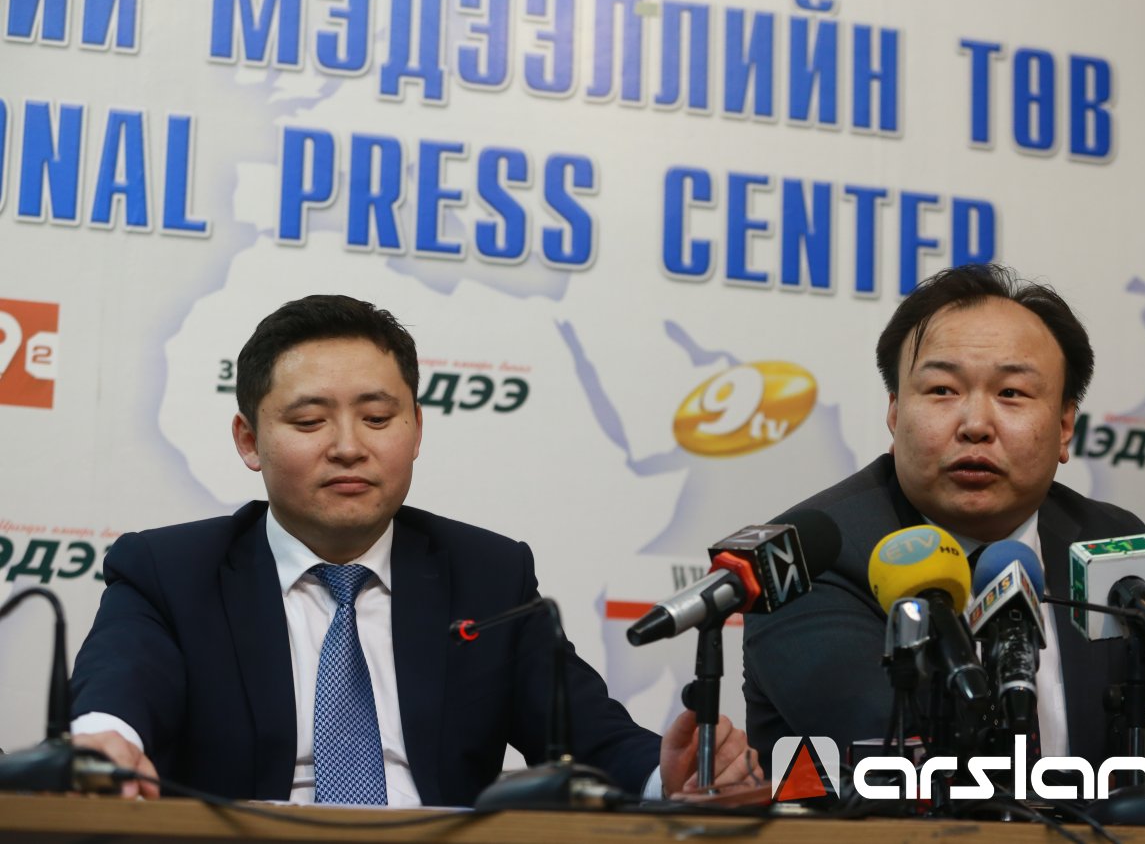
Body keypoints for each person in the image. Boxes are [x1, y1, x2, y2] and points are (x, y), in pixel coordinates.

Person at [70, 295, 760, 806]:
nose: (348, 446)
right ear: (249, 441)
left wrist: (668, 773)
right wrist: (103, 740)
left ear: (417, 429)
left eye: (377, 417)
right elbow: (120, 688)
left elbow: (590, 735)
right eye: (310, 421)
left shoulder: (488, 575)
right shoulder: (171, 572)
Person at [742, 264, 1145, 773]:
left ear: (1064, 427)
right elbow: (907, 763)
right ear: (895, 413)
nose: (975, 425)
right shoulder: (809, 560)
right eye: (942, 390)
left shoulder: (1112, 541)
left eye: (1011, 393)